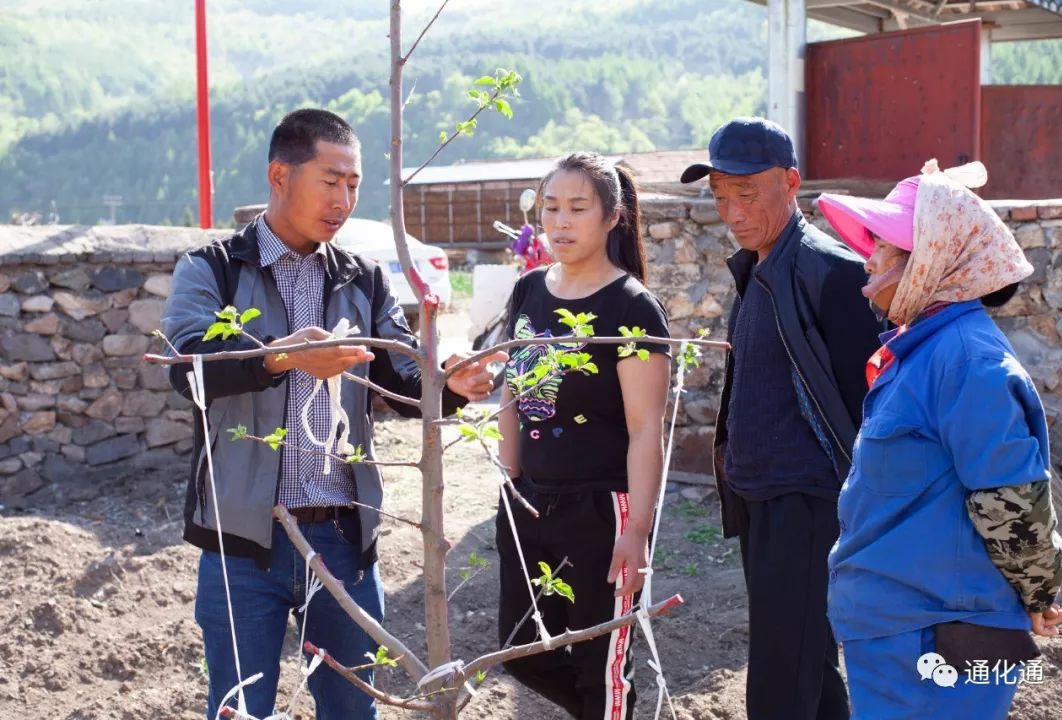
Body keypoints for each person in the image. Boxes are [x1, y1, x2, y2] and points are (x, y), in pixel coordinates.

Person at [162, 108, 503, 719]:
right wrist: (280, 358)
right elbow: (187, 368)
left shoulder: (362, 279)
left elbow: (400, 381)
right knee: (240, 709)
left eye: (354, 183)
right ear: (279, 175)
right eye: (331, 180)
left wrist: (452, 384)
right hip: (243, 542)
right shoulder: (210, 268)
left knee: (354, 709)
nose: (345, 198)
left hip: (343, 539)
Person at [819, 160, 1062, 719]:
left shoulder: (966, 361)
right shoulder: (928, 352)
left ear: (930, 260)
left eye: (883, 246)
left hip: (937, 640)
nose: (869, 259)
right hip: (906, 633)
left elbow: (1011, 504)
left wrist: (1035, 594)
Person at [680, 117, 881, 720]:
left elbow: (865, 405)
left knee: (776, 683)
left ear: (791, 183)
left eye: (747, 193)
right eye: (720, 197)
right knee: (807, 665)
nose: (732, 211)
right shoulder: (759, 265)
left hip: (809, 504)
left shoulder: (831, 272)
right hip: (762, 498)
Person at [496, 152, 671, 720]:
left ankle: (607, 704)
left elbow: (647, 430)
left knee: (600, 665)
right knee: (520, 651)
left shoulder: (631, 308)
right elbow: (512, 392)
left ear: (612, 216)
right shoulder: (528, 291)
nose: (561, 222)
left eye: (577, 208)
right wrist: (509, 483)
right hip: (527, 506)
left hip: (602, 513)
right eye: (550, 208)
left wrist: (637, 534)